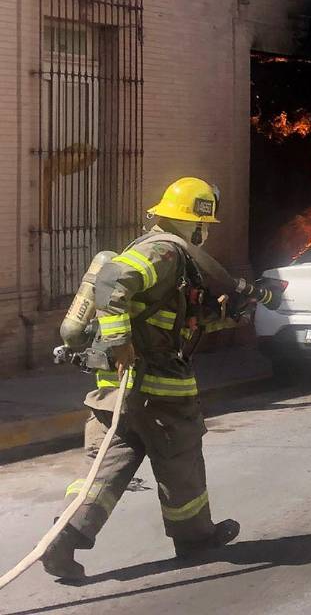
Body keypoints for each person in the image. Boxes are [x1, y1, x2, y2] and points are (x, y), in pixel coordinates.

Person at [42, 177, 245, 580]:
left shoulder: (170, 257)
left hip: (119, 394)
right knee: (181, 467)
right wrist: (119, 342)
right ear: (197, 222)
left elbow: (169, 319)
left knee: (103, 471)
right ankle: (194, 539)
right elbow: (112, 282)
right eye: (206, 226)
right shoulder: (165, 251)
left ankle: (63, 541)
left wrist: (225, 315)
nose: (206, 234)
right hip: (159, 392)